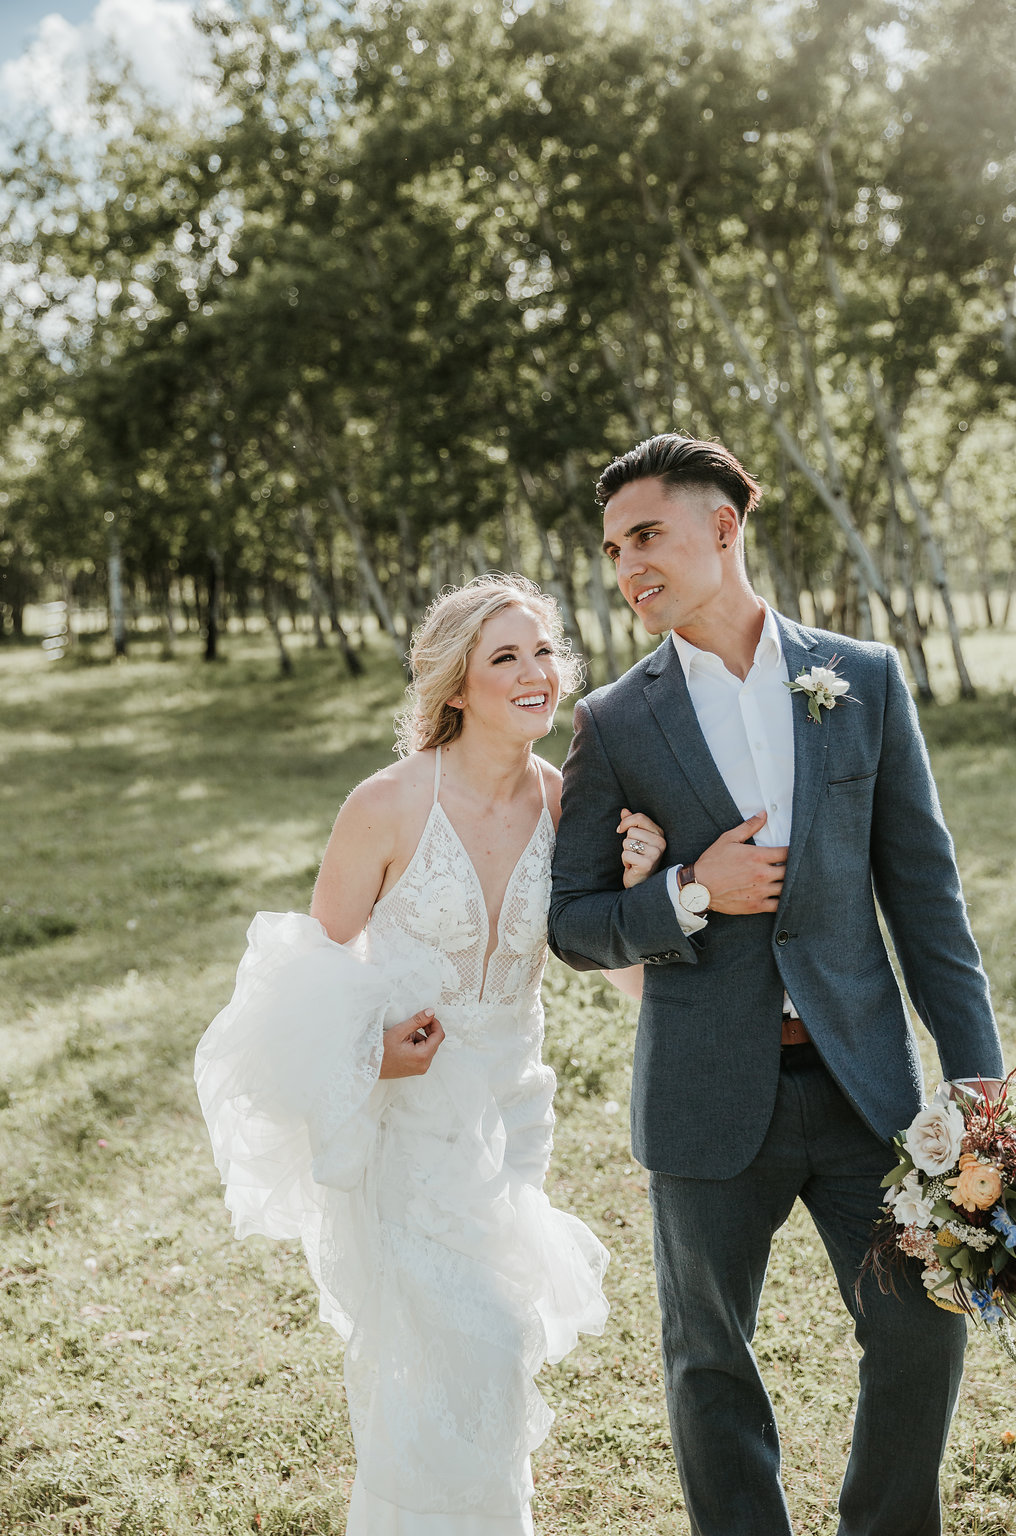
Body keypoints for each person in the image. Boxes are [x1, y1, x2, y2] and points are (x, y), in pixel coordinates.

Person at [548, 434, 1006, 1536]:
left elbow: (926, 898)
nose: (628, 567)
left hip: (866, 1092)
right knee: (709, 1359)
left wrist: (980, 1088)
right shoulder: (614, 719)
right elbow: (572, 923)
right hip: (701, 1091)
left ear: (723, 528)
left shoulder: (863, 678)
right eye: (614, 550)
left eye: (646, 536)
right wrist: (688, 892)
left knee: (921, 1327)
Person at [196, 574, 654, 1535]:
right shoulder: (388, 804)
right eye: (506, 657)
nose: (534, 673)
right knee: (453, 1347)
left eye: (544, 652)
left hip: (512, 1115)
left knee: (499, 1346)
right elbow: (304, 981)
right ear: (456, 685)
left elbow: (618, 971)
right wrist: (371, 1057)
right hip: (408, 1123)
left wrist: (647, 891)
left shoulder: (566, 804)